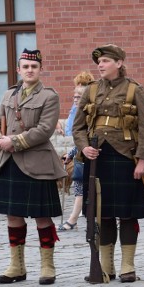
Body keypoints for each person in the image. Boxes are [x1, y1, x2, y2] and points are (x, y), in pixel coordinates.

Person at [72, 44, 144, 283]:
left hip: (125, 158)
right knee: (102, 214)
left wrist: (142, 160)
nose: (101, 65)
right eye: (99, 62)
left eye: (106, 61)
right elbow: (78, 126)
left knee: (128, 214)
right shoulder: (90, 90)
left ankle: (128, 266)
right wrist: (83, 146)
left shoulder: (134, 90)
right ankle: (105, 267)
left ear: (119, 63)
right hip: (97, 159)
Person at [0, 49, 68, 285]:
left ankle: (47, 267)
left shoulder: (49, 96)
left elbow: (44, 129)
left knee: (42, 217)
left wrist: (13, 141)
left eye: (34, 67)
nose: (30, 70)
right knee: (13, 215)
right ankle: (16, 267)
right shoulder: (8, 95)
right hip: (10, 163)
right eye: (25, 67)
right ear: (18, 70)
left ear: (40, 69)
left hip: (37, 163)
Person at [59, 71, 94, 231]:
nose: (75, 100)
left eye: (78, 97)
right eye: (74, 96)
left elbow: (86, 136)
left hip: (93, 155)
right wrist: (71, 154)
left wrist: (72, 153)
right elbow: (77, 138)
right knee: (79, 187)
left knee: (98, 189)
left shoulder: (91, 112)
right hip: (81, 156)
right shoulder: (77, 112)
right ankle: (73, 219)